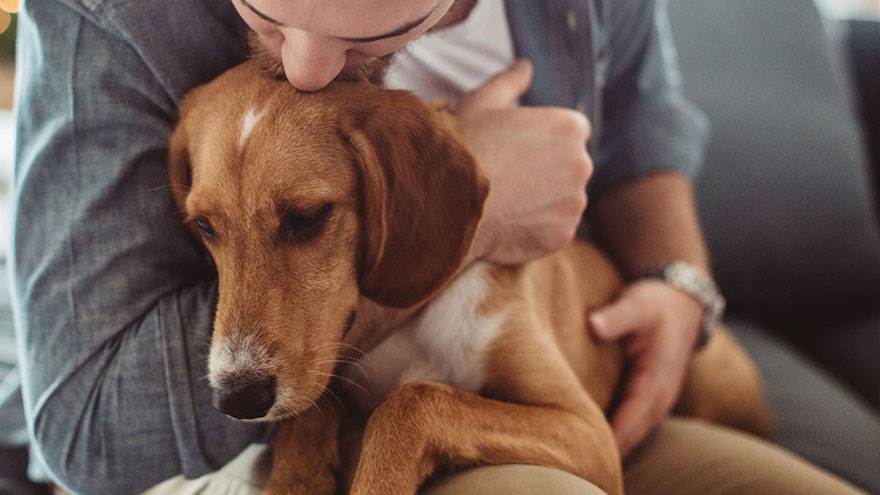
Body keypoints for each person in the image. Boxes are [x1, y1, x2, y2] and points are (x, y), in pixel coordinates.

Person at [6, 0, 873, 493]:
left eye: (368, 32)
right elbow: (83, 430)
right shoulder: (112, 21)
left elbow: (643, 105)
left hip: (586, 394)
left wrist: (680, 283)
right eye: (267, 12)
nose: (306, 68)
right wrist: (485, 213)